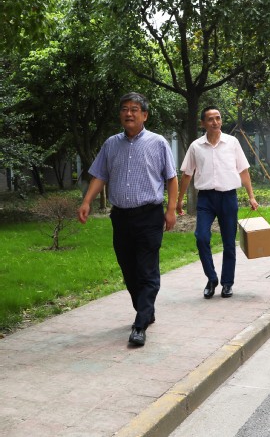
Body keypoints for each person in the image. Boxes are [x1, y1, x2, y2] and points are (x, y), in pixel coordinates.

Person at [78, 92, 178, 347]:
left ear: (144, 115)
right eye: (125, 109)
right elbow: (100, 175)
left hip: (149, 216)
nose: (129, 113)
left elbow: (171, 178)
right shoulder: (111, 144)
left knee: (146, 270)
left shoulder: (158, 143)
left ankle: (140, 325)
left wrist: (171, 210)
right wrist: (87, 201)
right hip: (121, 217)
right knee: (129, 270)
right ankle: (146, 309)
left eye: (134, 109)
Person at [177, 106, 258, 300]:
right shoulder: (196, 146)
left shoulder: (232, 142)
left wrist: (251, 196)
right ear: (203, 123)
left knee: (229, 242)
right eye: (210, 119)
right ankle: (211, 279)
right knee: (201, 237)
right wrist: (179, 200)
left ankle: (227, 283)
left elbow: (243, 170)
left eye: (218, 118)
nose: (215, 122)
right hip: (205, 198)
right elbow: (187, 174)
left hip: (228, 197)